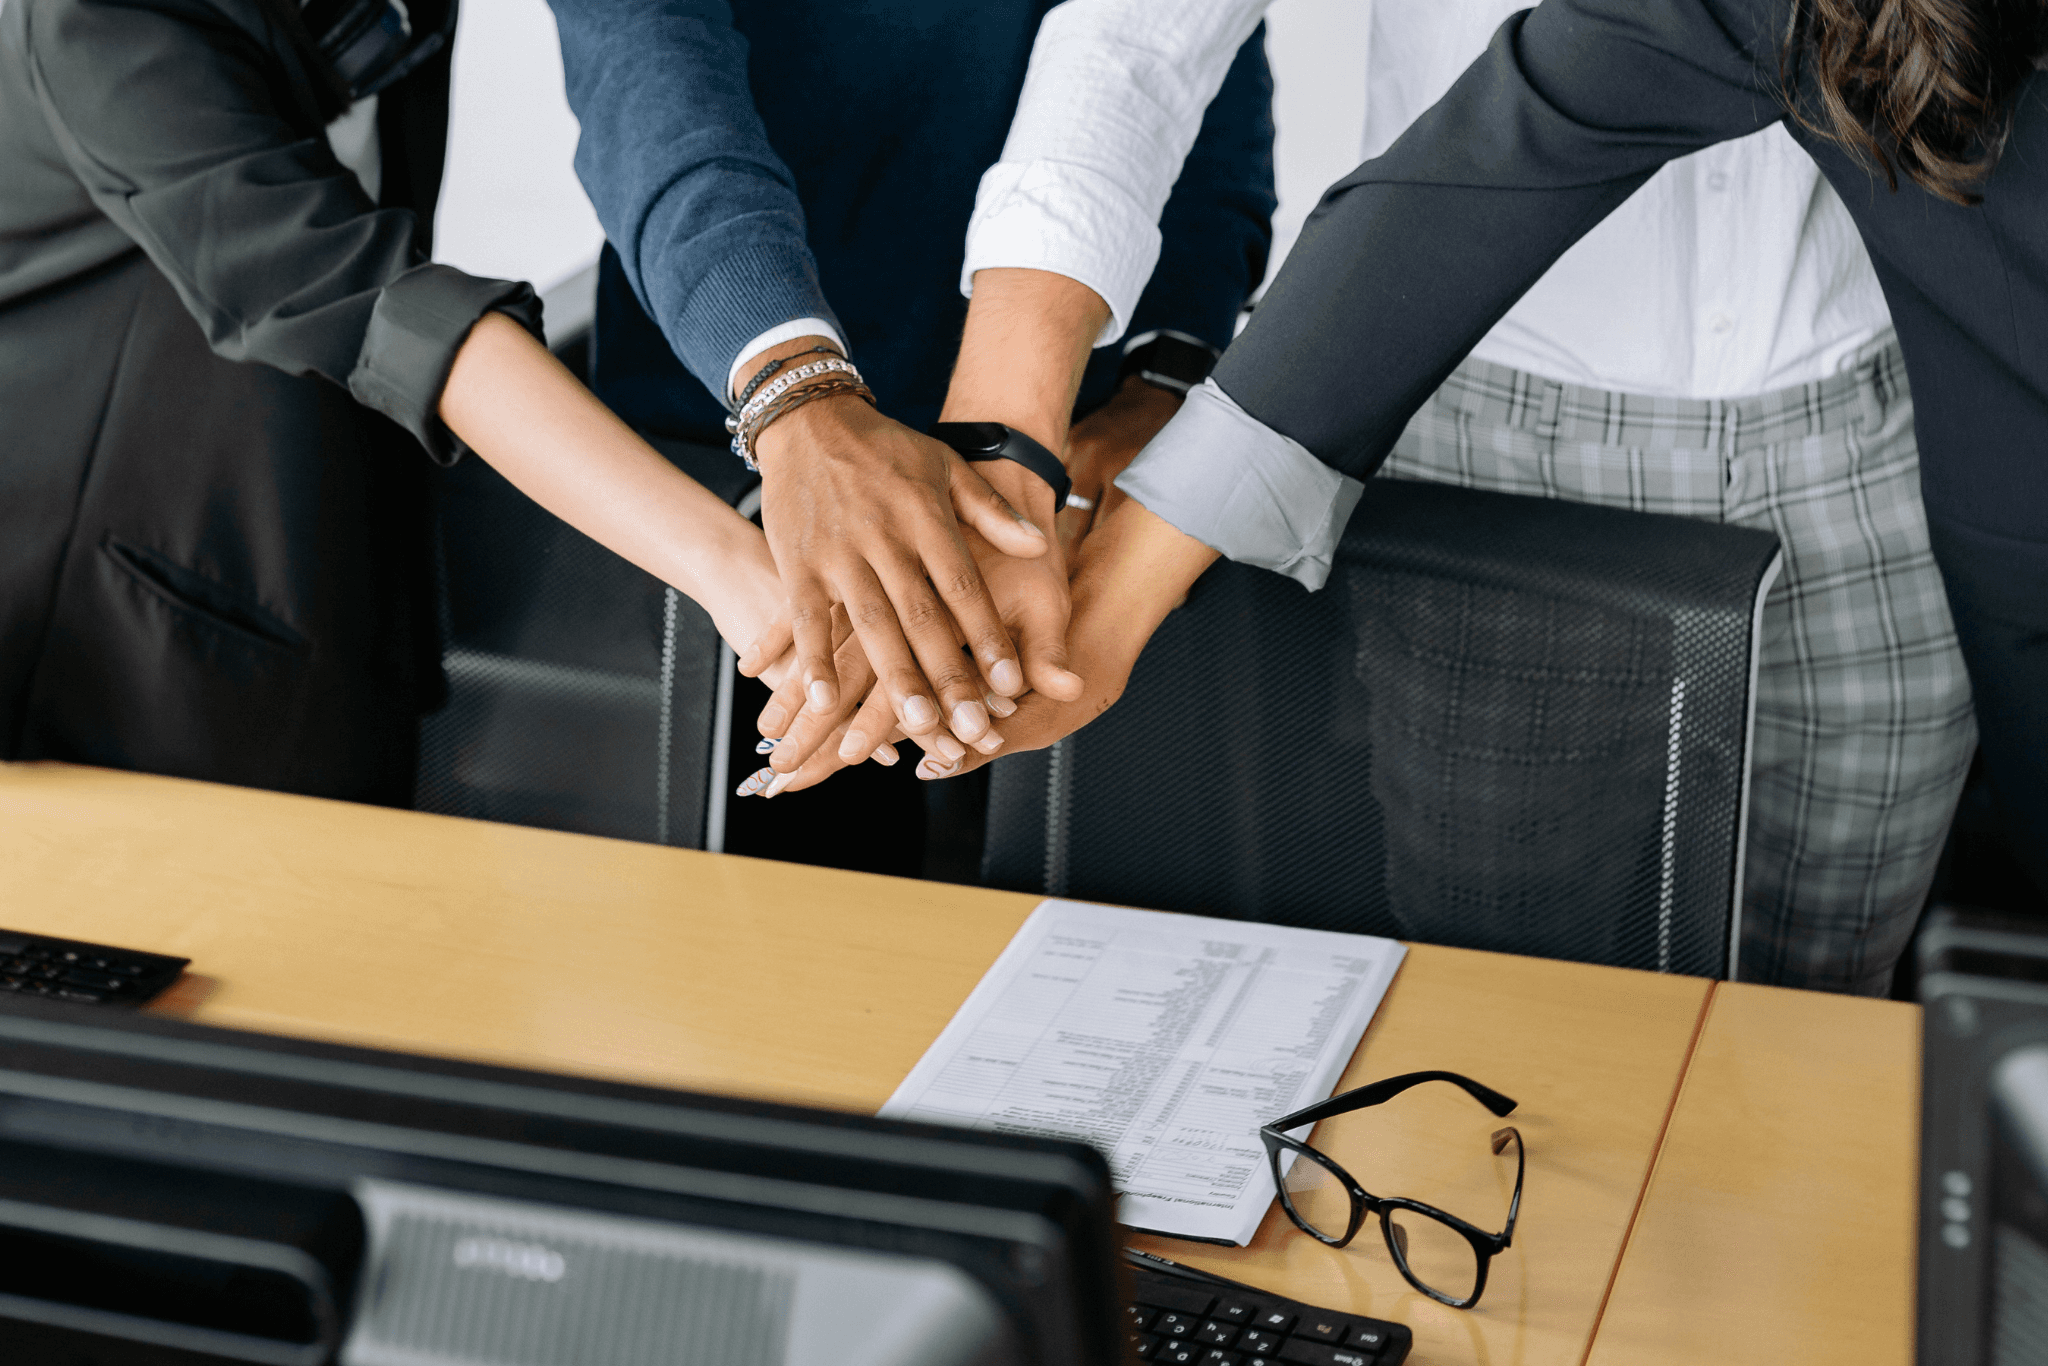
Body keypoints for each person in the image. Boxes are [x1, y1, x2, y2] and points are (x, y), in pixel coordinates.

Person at [852, 0, 2048, 993]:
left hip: (1870, 424)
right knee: (1494, 1009)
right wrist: (1017, 465)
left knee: (1824, 1004)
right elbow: (1170, 52)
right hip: (1487, 430)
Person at [0, 0, 809, 802]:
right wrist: (738, 569)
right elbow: (379, 304)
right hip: (133, 619)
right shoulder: (97, 20)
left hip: (337, 545)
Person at [543, 0, 1276, 796]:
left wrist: (1162, 375)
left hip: (1067, 454)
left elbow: (1177, 48)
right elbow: (648, 72)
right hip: (723, 438)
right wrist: (794, 397)